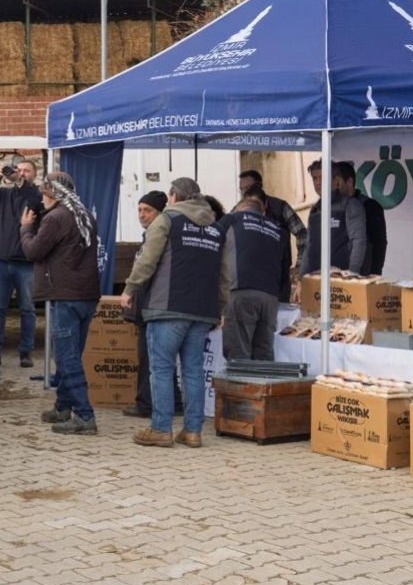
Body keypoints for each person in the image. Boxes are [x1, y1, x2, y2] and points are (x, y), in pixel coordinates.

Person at [124, 177, 233, 450]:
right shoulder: (216, 229)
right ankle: (192, 431)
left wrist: (130, 289)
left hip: (167, 308)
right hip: (202, 310)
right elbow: (225, 274)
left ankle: (161, 429)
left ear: (173, 197)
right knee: (193, 371)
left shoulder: (167, 220)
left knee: (161, 369)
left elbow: (148, 259)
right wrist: (221, 307)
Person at [21, 171, 101, 436]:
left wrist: (26, 228)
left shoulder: (56, 217)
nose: (41, 199)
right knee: (72, 355)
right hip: (86, 295)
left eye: (44, 193)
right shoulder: (84, 214)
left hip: (65, 296)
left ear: (53, 193)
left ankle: (85, 416)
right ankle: (63, 407)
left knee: (66, 359)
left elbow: (33, 251)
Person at [0, 158, 42, 367]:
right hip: (2, 261)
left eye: (26, 171)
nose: (22, 173)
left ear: (34, 175)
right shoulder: (4, 195)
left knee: (27, 308)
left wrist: (19, 181)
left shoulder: (37, 196)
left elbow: (31, 197)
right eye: (19, 170)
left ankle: (25, 351)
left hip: (25, 261)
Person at [122, 191, 180, 420]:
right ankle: (173, 400)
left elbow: (148, 268)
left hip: (152, 305)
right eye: (139, 210)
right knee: (162, 358)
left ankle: (146, 403)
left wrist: (130, 291)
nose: (142, 215)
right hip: (152, 304)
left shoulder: (158, 235)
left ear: (159, 212)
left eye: (148, 210)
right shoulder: (150, 235)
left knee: (149, 358)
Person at [219, 188, 289, 362]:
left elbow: (213, 247)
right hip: (270, 297)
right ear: (262, 211)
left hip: (241, 290)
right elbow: (284, 266)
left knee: (238, 352)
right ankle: (263, 387)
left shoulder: (232, 219)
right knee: (264, 354)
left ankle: (240, 387)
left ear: (239, 208)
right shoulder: (277, 230)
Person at [238, 169, 306, 299]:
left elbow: (303, 235)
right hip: (248, 281)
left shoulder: (280, 207)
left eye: (247, 188)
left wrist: (299, 266)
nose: (244, 193)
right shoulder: (238, 210)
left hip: (278, 279)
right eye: (241, 189)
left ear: (259, 186)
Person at [301, 160, 367, 275]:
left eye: (322, 177)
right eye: (314, 178)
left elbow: (358, 241)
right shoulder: (315, 210)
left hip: (341, 279)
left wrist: (352, 274)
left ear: (336, 180)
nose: (318, 182)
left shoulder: (350, 205)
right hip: (315, 279)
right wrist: (301, 278)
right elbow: (308, 247)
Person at [336, 162, 388, 276]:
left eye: (337, 182)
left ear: (349, 182)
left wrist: (373, 276)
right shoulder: (329, 207)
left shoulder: (370, 206)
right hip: (336, 276)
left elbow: (380, 245)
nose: (333, 186)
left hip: (363, 277)